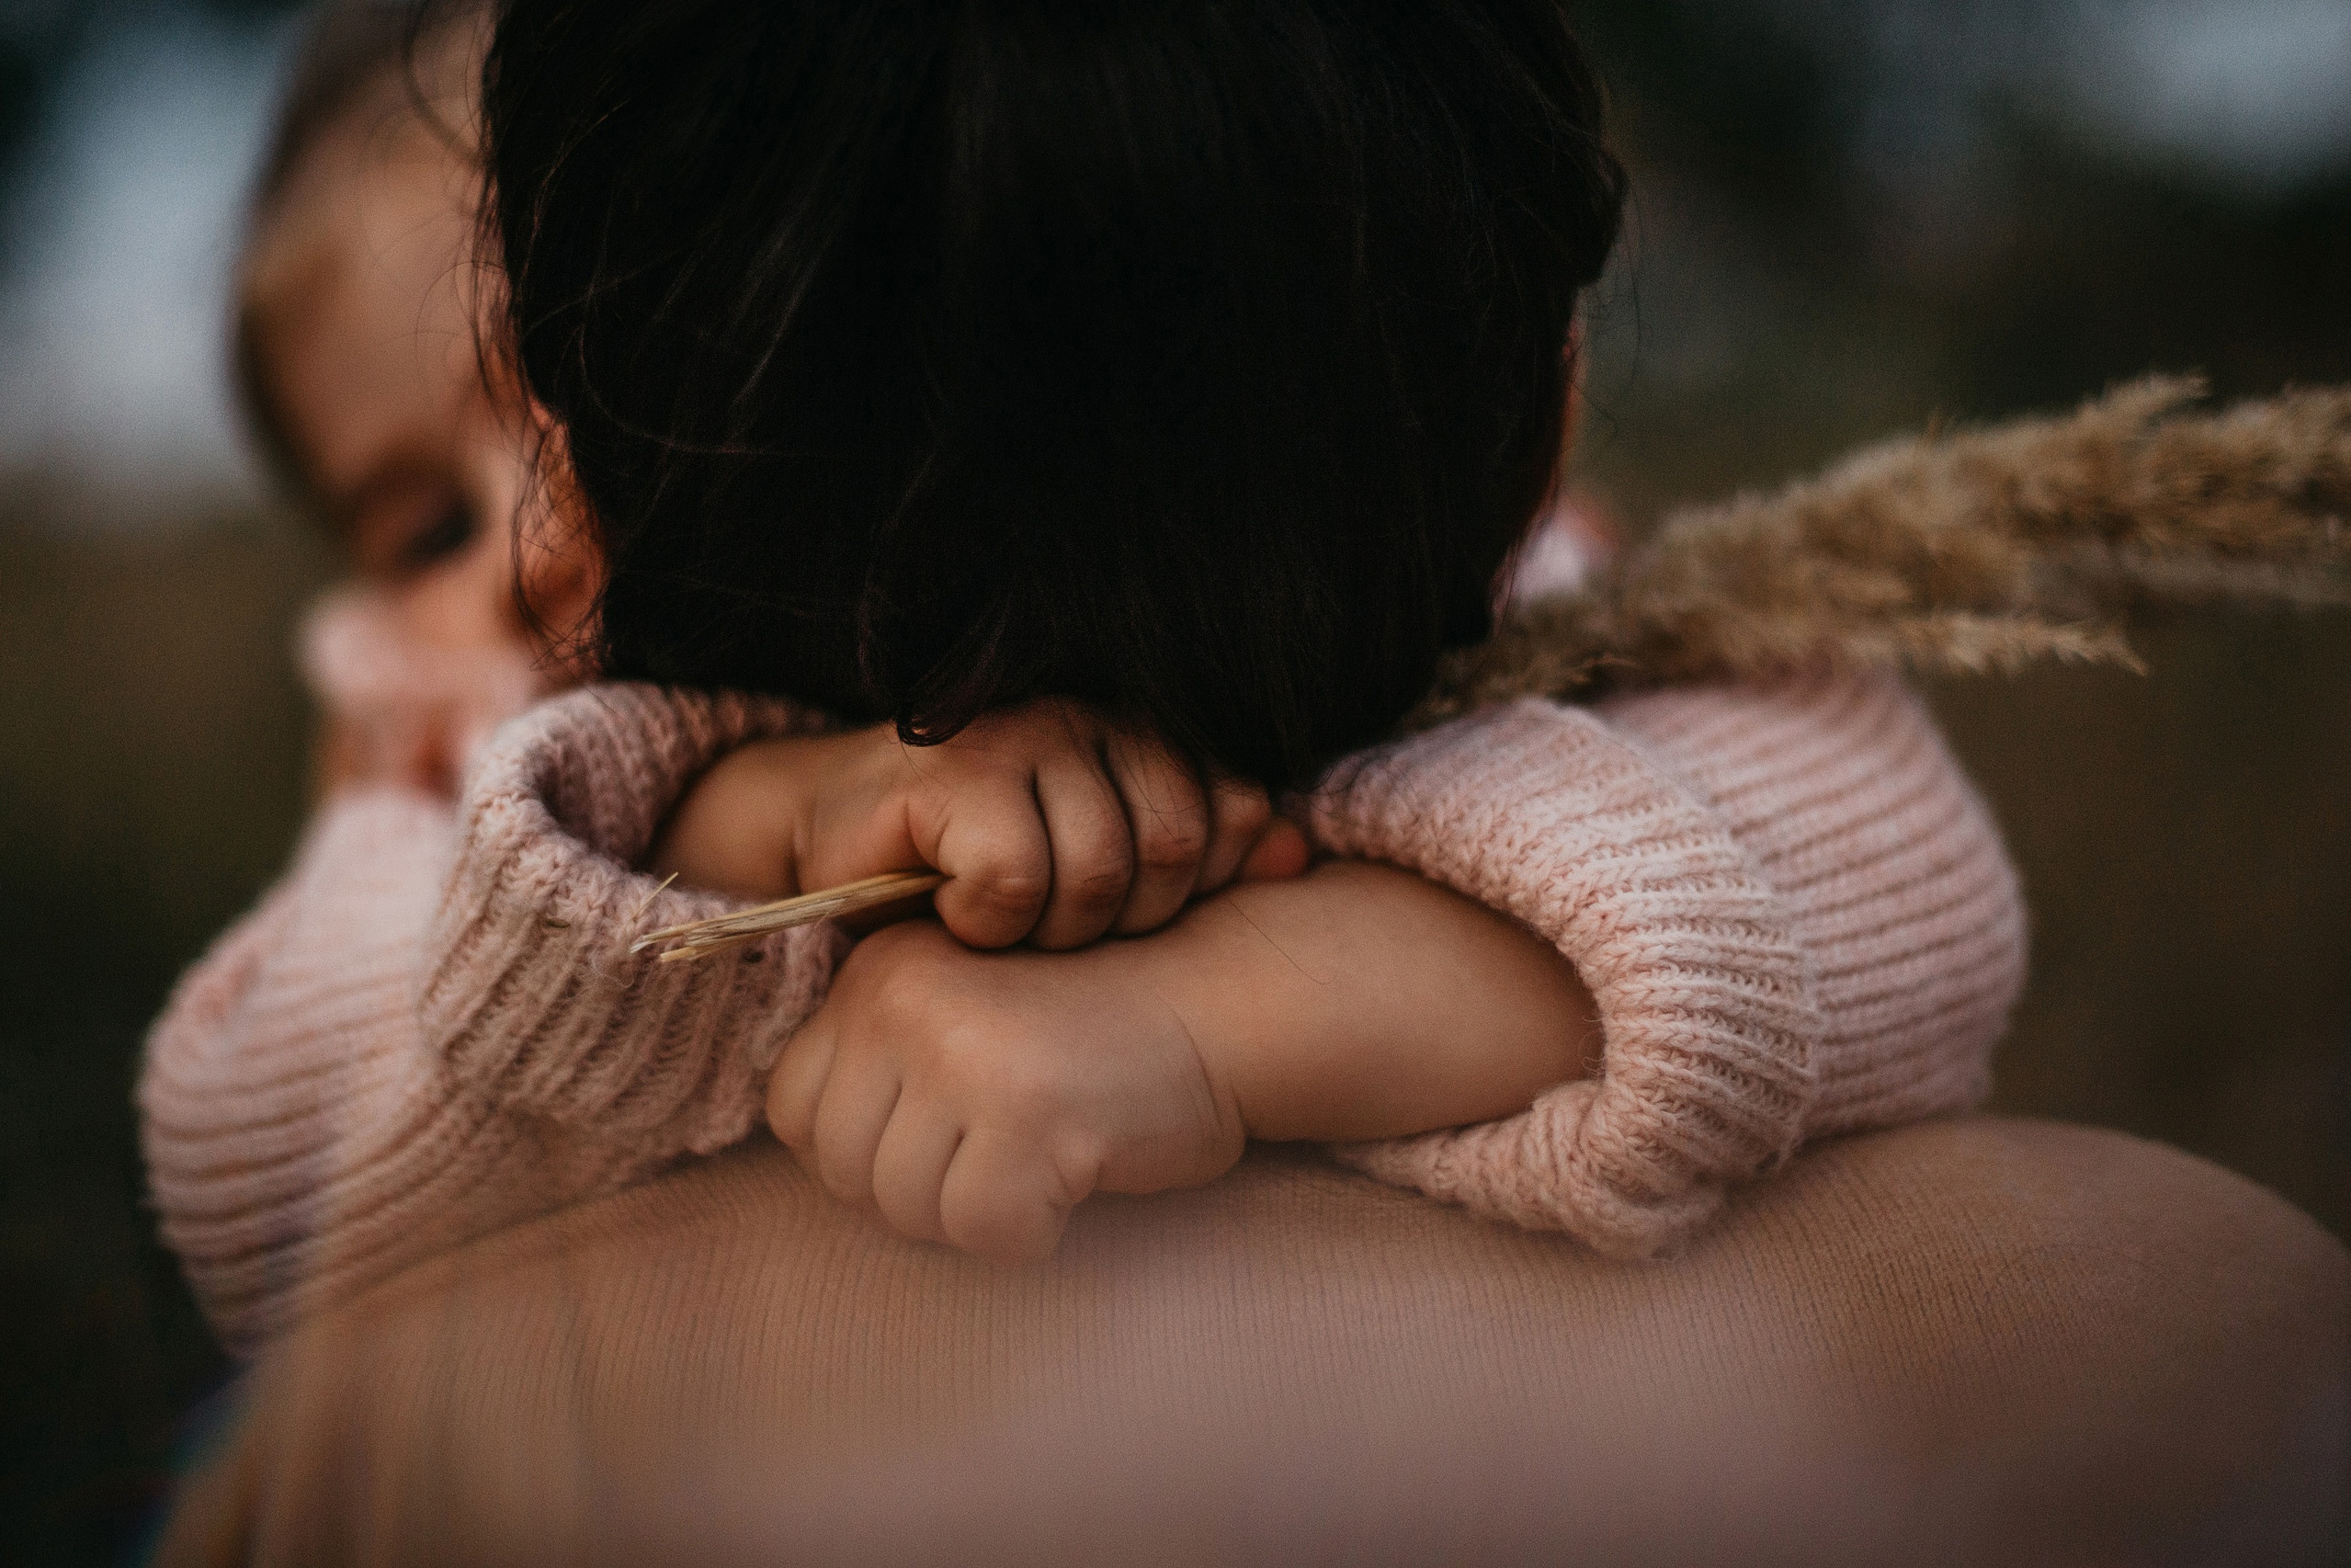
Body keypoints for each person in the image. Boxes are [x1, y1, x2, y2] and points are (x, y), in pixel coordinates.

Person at [144, 0, 2021, 1350]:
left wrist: (1241, 1012)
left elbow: (1906, 876)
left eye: (532, 430)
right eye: (408, 524)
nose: (503, 564)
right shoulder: (473, 748)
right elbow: (252, 1148)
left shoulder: (1503, 580)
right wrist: (722, 828)